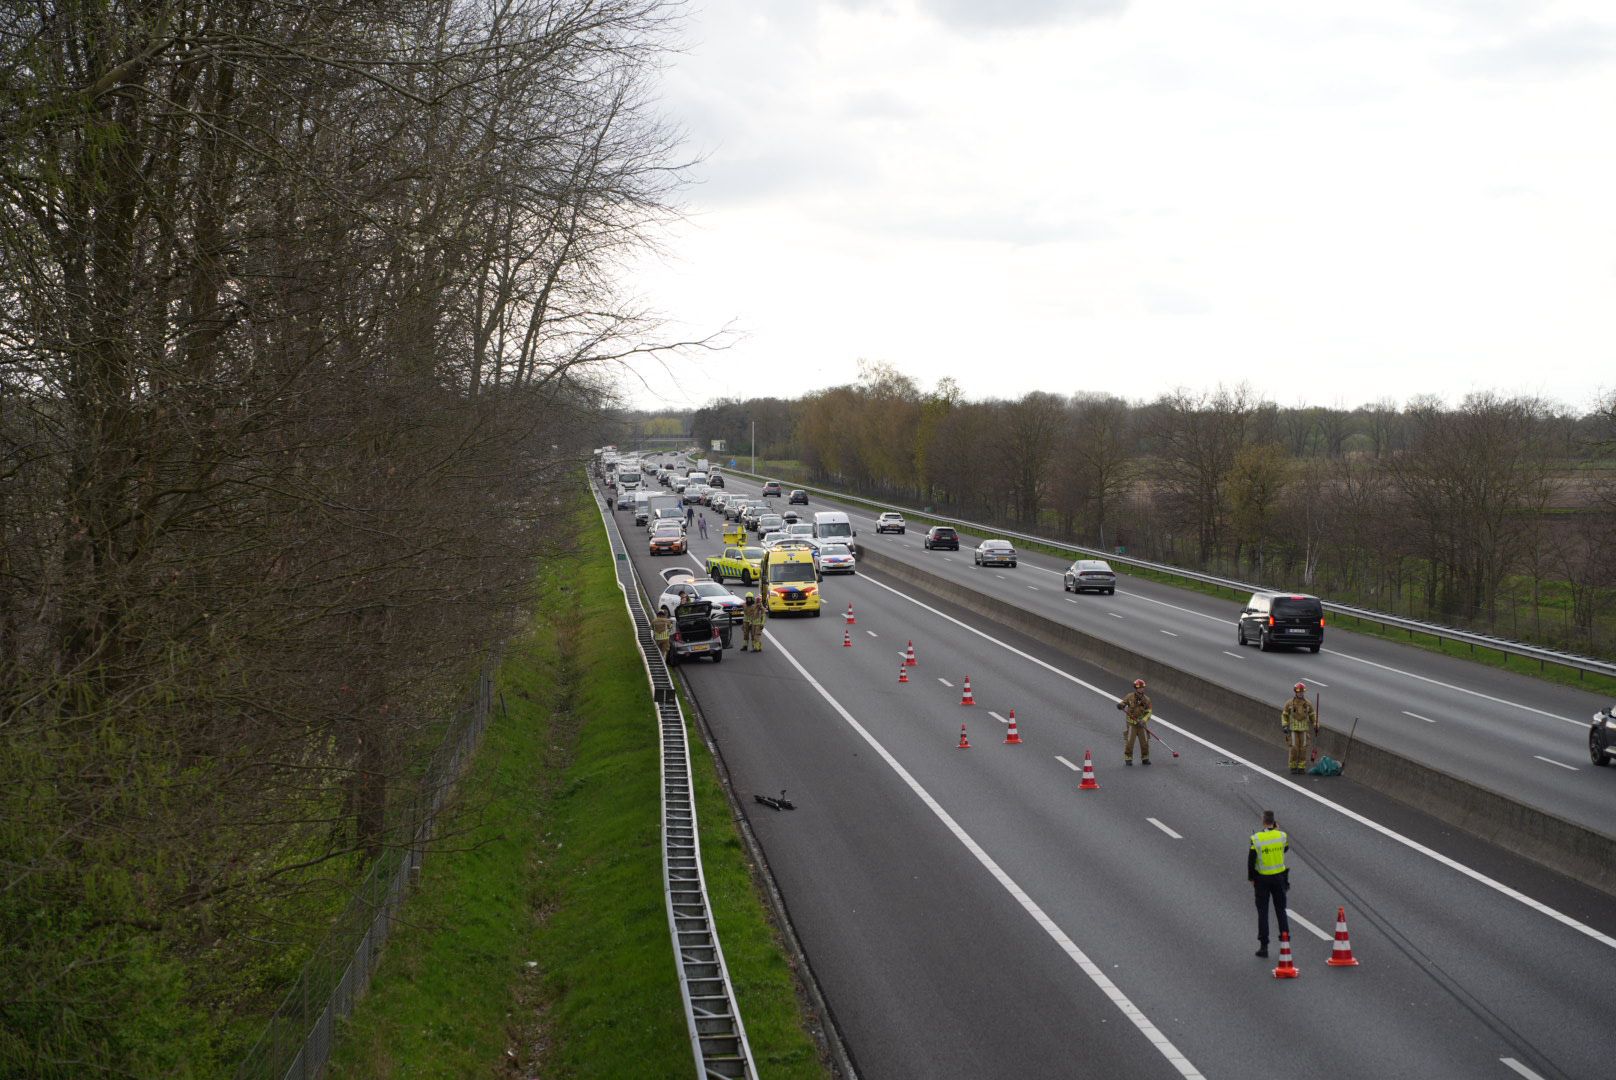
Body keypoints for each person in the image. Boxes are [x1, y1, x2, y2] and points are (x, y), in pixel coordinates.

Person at [1248, 809, 1290, 958]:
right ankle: (1285, 941)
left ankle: (1264, 946)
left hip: (1262, 879)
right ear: (1274, 821)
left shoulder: (1257, 838)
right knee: (1281, 910)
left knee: (1263, 912)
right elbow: (1284, 849)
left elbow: (1251, 860)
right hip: (1279, 878)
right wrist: (1277, 831)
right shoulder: (1282, 835)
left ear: (1263, 820)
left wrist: (1251, 878)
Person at [1281, 682, 1317, 774]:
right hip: (1293, 729)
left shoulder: (1308, 703)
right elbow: (1284, 715)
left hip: (1304, 730)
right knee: (1294, 748)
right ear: (1295, 692)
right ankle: (1293, 766)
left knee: (1303, 748)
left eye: (1302, 691)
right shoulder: (1289, 703)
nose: (1300, 693)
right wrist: (1285, 725)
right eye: (1299, 691)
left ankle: (1301, 767)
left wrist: (1316, 724)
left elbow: (1312, 715)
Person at [1116, 678, 1152, 765]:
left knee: (1144, 743)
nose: (1141, 689)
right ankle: (1128, 759)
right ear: (1136, 688)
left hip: (1141, 725)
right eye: (1139, 688)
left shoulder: (1147, 700)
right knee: (1129, 743)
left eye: (1142, 687)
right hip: (1131, 724)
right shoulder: (1129, 696)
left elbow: (1149, 712)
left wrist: (1143, 720)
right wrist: (1120, 705)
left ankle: (1145, 758)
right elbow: (1123, 703)